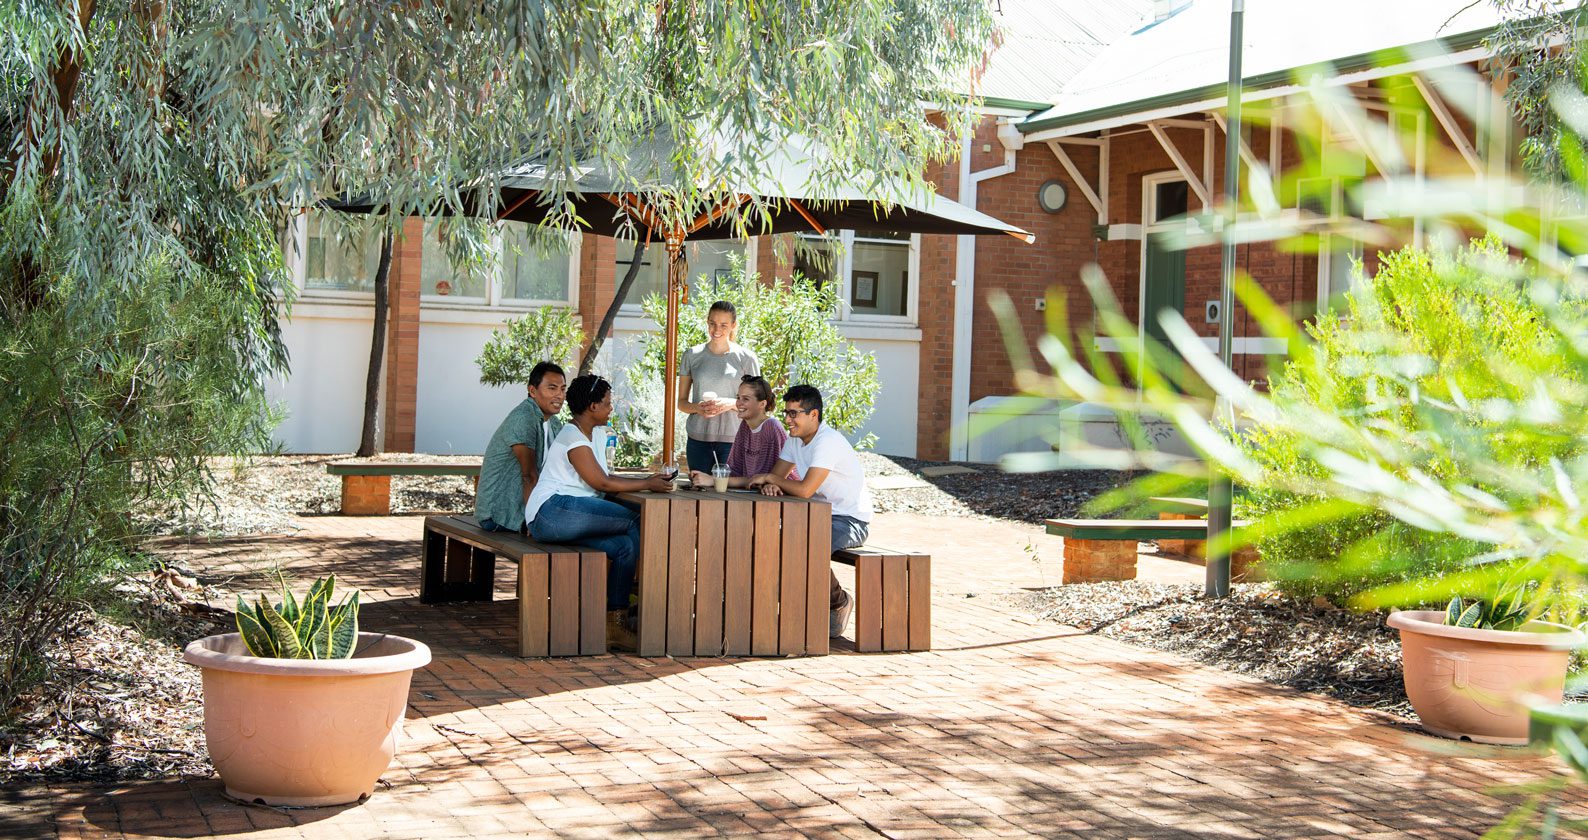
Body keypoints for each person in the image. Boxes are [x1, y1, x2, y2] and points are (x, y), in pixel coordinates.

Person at [525, 374, 674, 651]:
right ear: (592, 407)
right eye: (607, 403)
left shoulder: (595, 434)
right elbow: (601, 483)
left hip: (569, 514)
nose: (611, 408)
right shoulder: (572, 435)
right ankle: (643, 599)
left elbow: (602, 479)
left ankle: (613, 624)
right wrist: (647, 484)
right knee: (638, 519)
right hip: (553, 511)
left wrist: (643, 483)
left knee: (624, 547)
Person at [747, 384, 873, 638]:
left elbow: (803, 490)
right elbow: (777, 478)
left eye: (794, 414)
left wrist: (772, 479)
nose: (788, 420)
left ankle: (836, 602)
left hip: (850, 520)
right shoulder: (796, 441)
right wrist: (772, 482)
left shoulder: (827, 442)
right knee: (774, 542)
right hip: (817, 516)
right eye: (786, 413)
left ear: (813, 415)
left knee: (806, 548)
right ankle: (782, 616)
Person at [475, 361, 566, 533]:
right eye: (552, 388)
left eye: (562, 389)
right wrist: (535, 524)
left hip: (524, 509)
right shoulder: (523, 418)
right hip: (499, 514)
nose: (560, 395)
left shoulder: (554, 423)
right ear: (532, 391)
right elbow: (529, 476)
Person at [678, 300, 760, 472]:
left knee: (729, 495)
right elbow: (681, 403)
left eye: (724, 325)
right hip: (697, 441)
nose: (717, 330)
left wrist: (731, 404)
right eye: (712, 323)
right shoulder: (691, 356)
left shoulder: (746, 358)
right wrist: (698, 408)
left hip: (734, 441)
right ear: (707, 322)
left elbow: (759, 404)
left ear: (733, 325)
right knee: (699, 493)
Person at [690, 374, 789, 489]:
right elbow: (734, 471)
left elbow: (762, 480)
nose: (739, 403)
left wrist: (713, 480)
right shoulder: (745, 426)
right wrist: (709, 478)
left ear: (762, 404)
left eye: (746, 399)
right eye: (738, 397)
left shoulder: (771, 427)